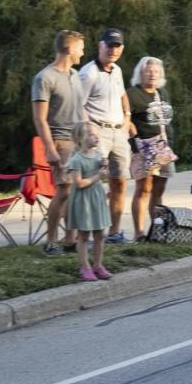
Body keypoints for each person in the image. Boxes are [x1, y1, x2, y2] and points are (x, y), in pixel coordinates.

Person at [30, 30, 86, 254]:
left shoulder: (75, 75)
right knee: (63, 191)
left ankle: (70, 240)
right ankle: (50, 241)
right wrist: (50, 148)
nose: (83, 52)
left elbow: (81, 109)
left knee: (76, 192)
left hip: (79, 141)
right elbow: (39, 117)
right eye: (81, 48)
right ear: (70, 49)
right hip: (60, 140)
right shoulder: (45, 78)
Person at [77, 27, 134, 242]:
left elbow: (122, 95)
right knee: (94, 183)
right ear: (100, 45)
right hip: (97, 131)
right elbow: (78, 104)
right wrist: (89, 130)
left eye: (117, 46)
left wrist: (127, 117)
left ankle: (114, 232)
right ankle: (90, 233)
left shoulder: (117, 70)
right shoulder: (88, 73)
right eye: (109, 45)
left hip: (119, 130)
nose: (113, 50)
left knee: (120, 181)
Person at [127, 56, 177, 240]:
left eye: (156, 71)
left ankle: (157, 230)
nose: (152, 75)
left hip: (164, 148)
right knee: (144, 189)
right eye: (148, 71)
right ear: (140, 73)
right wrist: (135, 142)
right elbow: (126, 119)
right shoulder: (132, 94)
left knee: (159, 190)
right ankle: (139, 233)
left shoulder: (162, 93)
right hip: (143, 147)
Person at [62, 119, 112, 281]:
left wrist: (105, 167)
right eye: (91, 135)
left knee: (100, 234)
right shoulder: (77, 160)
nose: (95, 138)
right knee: (83, 235)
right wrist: (99, 175)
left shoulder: (98, 155)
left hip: (96, 197)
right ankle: (85, 267)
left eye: (96, 135)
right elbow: (79, 183)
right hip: (83, 200)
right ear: (79, 139)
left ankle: (98, 265)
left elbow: (104, 175)